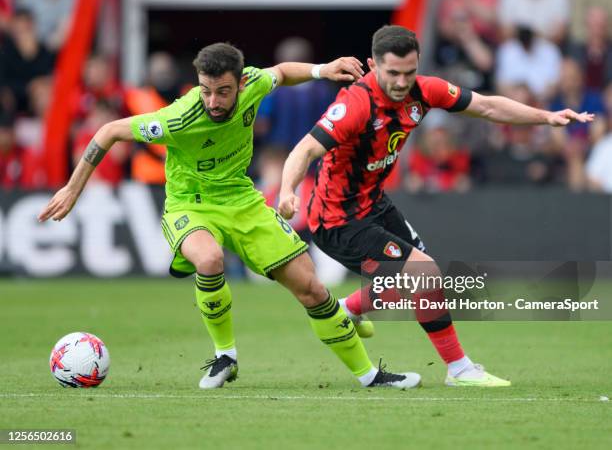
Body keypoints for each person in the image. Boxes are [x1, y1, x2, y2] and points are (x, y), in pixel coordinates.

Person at [38, 42, 420, 390]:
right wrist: (73, 188)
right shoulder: (178, 118)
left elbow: (283, 72)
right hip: (191, 204)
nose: (213, 101)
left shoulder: (254, 83)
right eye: (206, 90)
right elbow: (108, 131)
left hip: (242, 200)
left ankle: (370, 376)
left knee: (313, 290)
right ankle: (226, 356)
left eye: (222, 91)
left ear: (240, 84)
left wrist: (323, 68)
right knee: (209, 258)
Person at [278, 25, 594, 387]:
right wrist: (288, 191)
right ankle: (459, 369)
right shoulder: (354, 105)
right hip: (337, 220)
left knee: (425, 277)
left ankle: (348, 309)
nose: (401, 82)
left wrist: (546, 117)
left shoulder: (425, 90)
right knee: (424, 273)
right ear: (373, 65)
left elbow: (488, 106)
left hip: (374, 204)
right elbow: (304, 149)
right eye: (392, 73)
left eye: (408, 72)